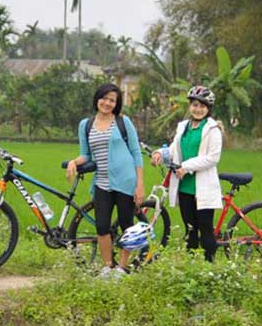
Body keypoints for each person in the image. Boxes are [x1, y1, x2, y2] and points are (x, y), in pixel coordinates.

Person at [66, 83, 145, 278]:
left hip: (126, 180)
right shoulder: (86, 125)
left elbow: (136, 153)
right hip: (102, 181)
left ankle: (122, 269)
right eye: (104, 98)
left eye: (112, 100)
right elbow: (86, 154)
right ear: (97, 99)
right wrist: (73, 162)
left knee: (127, 224)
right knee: (102, 226)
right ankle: (107, 266)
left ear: (116, 104)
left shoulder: (123, 122)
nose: (107, 103)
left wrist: (140, 184)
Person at [152, 85, 223, 262]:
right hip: (184, 186)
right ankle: (192, 266)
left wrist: (187, 166)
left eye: (202, 106)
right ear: (189, 106)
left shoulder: (212, 129)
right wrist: (161, 154)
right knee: (190, 229)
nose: (197, 109)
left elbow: (212, 158)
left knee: (205, 229)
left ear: (208, 108)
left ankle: (210, 267)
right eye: (194, 105)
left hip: (203, 186)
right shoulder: (183, 127)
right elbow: (174, 148)